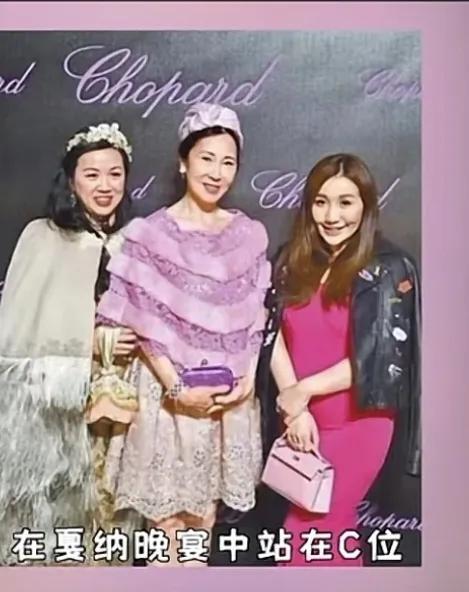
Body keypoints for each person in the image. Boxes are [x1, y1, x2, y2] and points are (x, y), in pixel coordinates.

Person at [96, 102, 270, 567]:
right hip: (166, 398)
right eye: (206, 158)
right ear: (183, 161)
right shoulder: (149, 235)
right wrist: (176, 387)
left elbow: (256, 316)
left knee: (203, 520)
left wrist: (247, 379)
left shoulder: (247, 235)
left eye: (227, 162)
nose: (216, 172)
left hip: (224, 402)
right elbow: (139, 324)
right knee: (166, 523)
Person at [256, 153, 421, 566]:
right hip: (300, 419)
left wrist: (304, 391)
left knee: (314, 529)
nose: (332, 216)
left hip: (358, 422)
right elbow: (271, 333)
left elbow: (381, 355)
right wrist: (294, 407)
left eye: (345, 202)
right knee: (323, 534)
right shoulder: (290, 259)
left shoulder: (389, 267)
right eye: (321, 202)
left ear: (365, 206)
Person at [0, 122, 138, 565]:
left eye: (114, 173)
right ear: (72, 179)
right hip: (54, 418)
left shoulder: (137, 243)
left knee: (111, 527)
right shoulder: (42, 237)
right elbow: (19, 329)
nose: (104, 185)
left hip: (120, 415)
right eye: (91, 174)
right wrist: (95, 341)